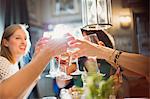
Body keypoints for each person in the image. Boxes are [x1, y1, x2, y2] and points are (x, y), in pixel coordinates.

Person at [0, 24, 69, 98]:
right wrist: (46, 54)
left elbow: (19, 96)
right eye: (17, 38)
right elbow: (5, 96)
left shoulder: (13, 65)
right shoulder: (2, 62)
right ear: (5, 42)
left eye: (25, 38)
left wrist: (36, 59)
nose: (23, 42)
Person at [69, 34, 150, 97]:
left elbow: (146, 68)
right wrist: (104, 53)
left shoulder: (106, 67)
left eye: (87, 41)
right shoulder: (82, 65)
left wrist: (102, 51)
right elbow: (136, 74)